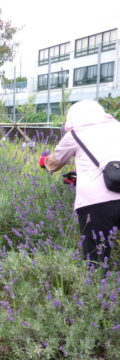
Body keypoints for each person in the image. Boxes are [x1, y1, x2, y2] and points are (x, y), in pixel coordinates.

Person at [39, 99, 120, 264]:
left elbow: (54, 164)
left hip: (95, 204)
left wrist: (44, 161)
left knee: (96, 258)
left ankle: (97, 286)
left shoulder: (75, 134)